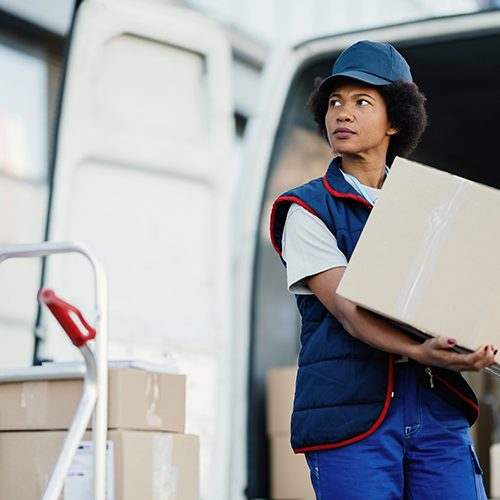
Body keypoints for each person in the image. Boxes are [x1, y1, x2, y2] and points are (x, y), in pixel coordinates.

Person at [269, 40, 497, 499]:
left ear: (395, 120)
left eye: (361, 102)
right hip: (354, 419)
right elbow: (350, 312)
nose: (342, 114)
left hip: (436, 410)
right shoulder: (306, 209)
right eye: (334, 102)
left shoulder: (430, 208)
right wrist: (424, 352)